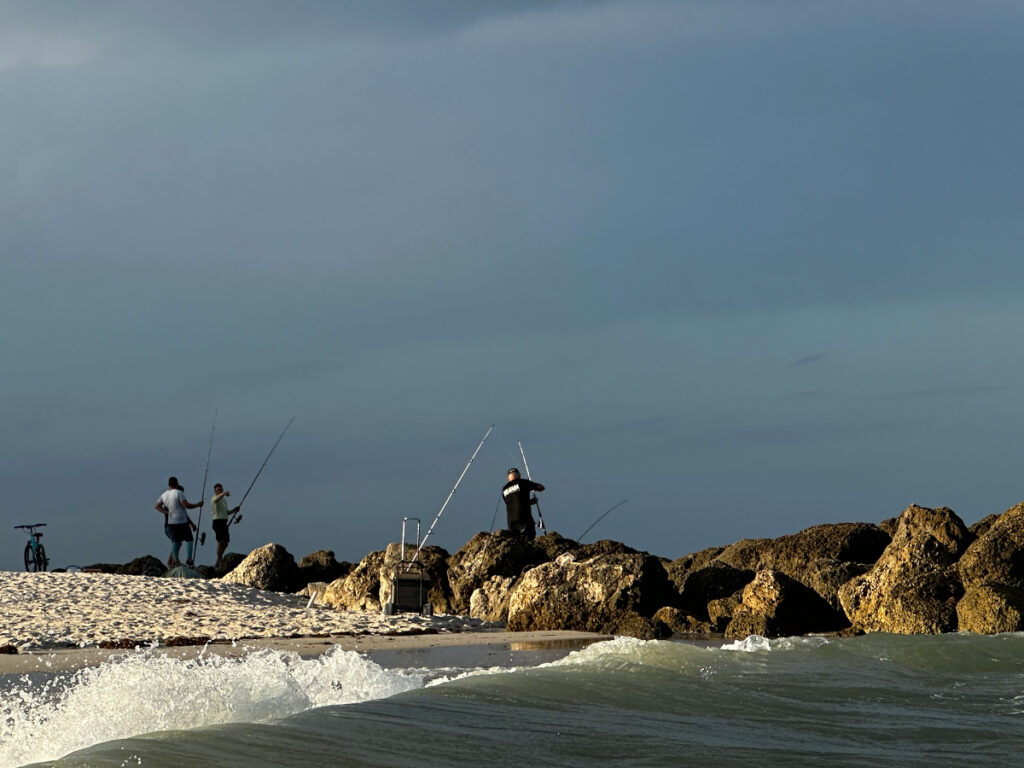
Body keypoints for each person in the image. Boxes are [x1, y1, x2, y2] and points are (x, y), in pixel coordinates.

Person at [154, 476, 203, 567]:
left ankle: (176, 561)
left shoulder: (164, 495)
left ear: (168, 484)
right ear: (177, 484)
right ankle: (189, 559)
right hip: (182, 521)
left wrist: (166, 512)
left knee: (175, 541)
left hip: (171, 522)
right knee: (189, 539)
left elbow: (156, 506)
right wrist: (198, 505)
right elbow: (186, 505)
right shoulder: (179, 493)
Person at [502, 467, 545, 540]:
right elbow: (541, 487)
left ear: (508, 478)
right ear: (519, 475)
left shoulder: (504, 489)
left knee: (516, 542)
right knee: (529, 538)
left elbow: (513, 503)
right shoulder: (522, 482)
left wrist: (530, 502)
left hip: (511, 523)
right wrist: (530, 485)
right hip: (524, 519)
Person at [210, 483, 240, 571]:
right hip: (217, 522)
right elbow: (216, 499)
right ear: (215, 491)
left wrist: (234, 510)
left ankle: (217, 562)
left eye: (221, 490)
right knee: (220, 542)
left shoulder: (223, 500)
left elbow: (226, 512)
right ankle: (220, 563)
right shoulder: (214, 499)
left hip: (224, 523)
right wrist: (223, 494)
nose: (220, 491)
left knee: (225, 543)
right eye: (218, 490)